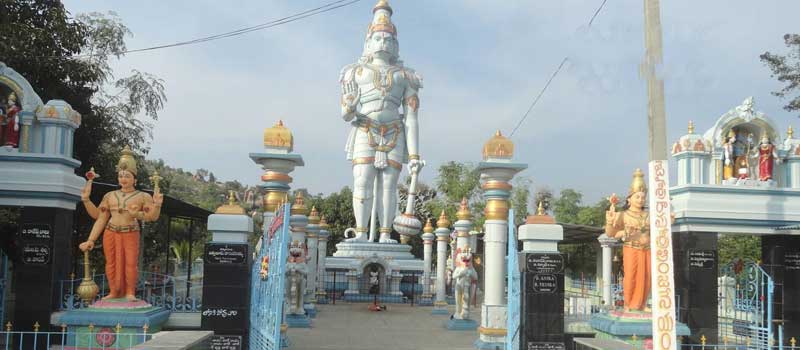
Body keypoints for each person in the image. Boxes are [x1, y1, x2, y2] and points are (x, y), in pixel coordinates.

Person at [340, 0, 423, 243]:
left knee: (389, 185)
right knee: (362, 181)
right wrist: (351, 106)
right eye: (378, 38)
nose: (383, 42)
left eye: (388, 39)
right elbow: (345, 114)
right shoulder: (354, 72)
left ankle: (386, 234)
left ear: (395, 45)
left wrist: (415, 155)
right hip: (365, 129)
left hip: (395, 132)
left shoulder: (406, 77)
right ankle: (361, 233)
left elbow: (412, 118)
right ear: (368, 42)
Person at [78, 146, 163, 301]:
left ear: (134, 179)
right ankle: (114, 291)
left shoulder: (142, 196)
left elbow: (152, 217)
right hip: (111, 232)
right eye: (121, 176)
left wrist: (155, 206)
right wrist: (86, 200)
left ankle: (130, 292)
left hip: (130, 232)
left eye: (127, 176)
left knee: (130, 263)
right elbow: (99, 217)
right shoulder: (110, 196)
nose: (123, 179)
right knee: (111, 263)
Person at [605, 169, 650, 312]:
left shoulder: (650, 215)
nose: (641, 200)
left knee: (646, 278)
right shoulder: (623, 215)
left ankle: (643, 304)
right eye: (637, 197)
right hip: (631, 248)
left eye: (643, 197)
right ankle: (629, 304)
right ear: (629, 199)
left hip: (647, 250)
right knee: (631, 276)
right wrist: (611, 223)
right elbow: (610, 233)